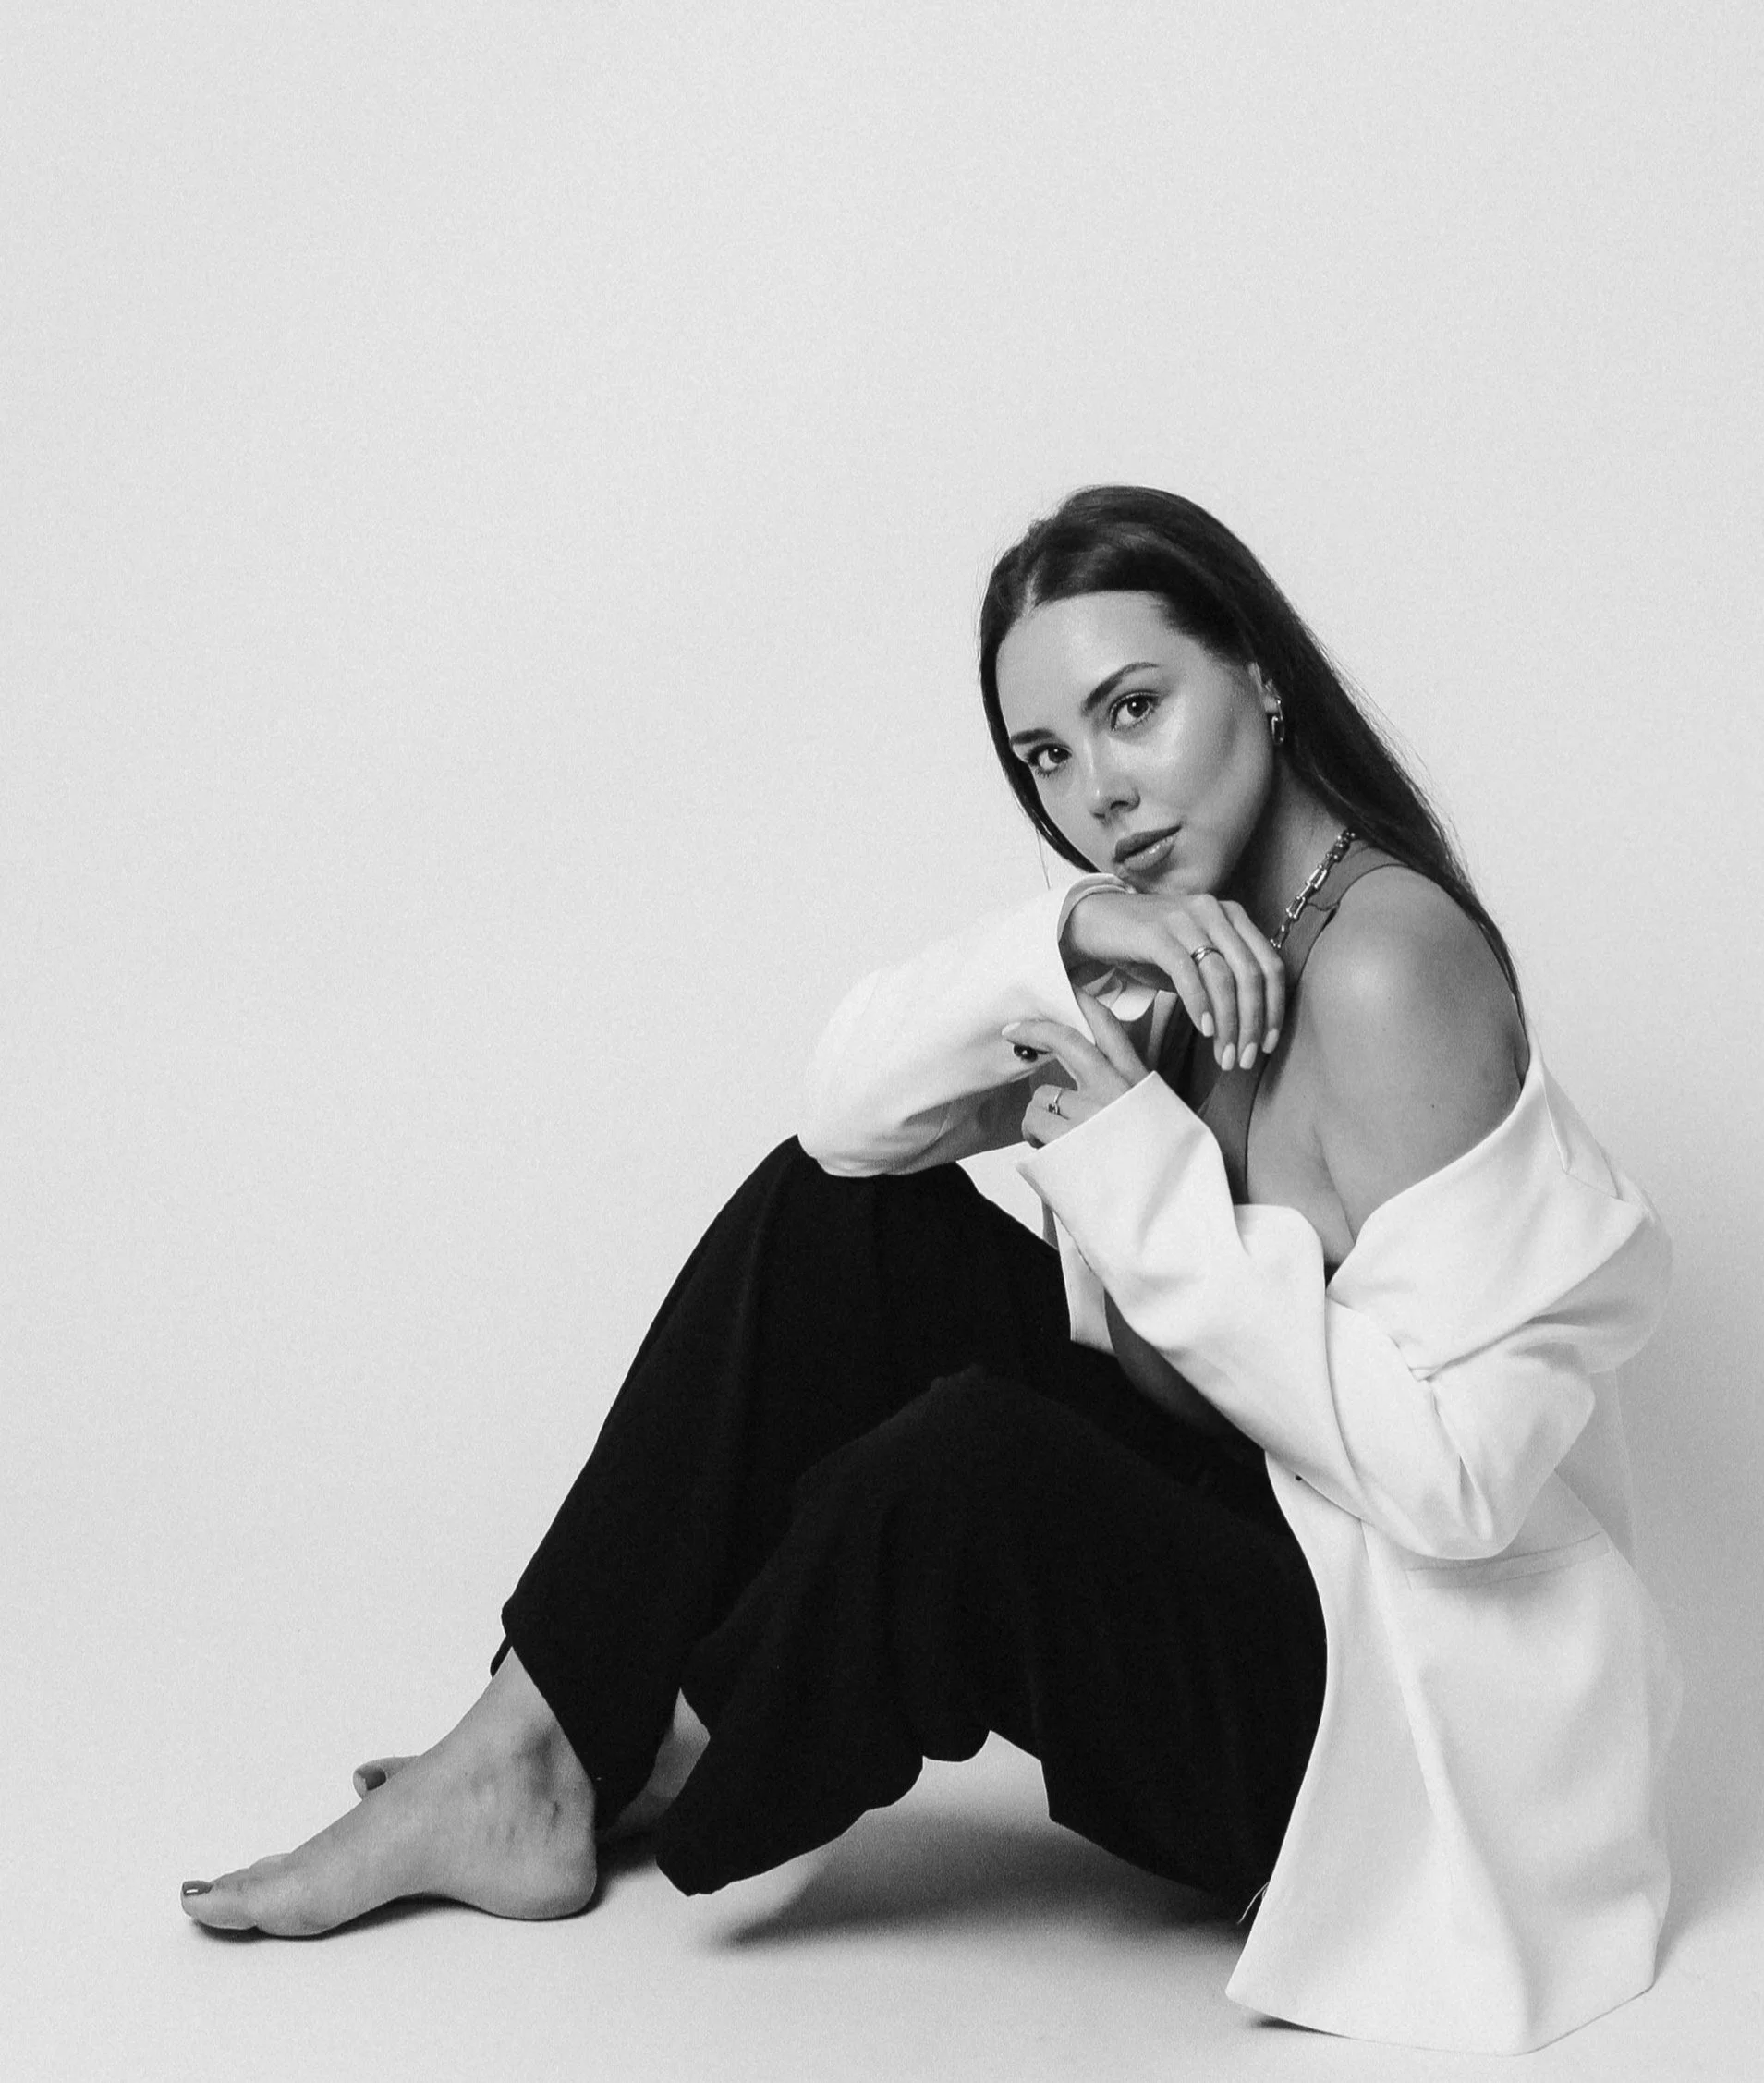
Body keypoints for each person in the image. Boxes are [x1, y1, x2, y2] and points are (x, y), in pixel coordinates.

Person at [180, 486, 1678, 2054]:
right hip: (1279, 1551)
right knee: (837, 1227)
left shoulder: (1385, 966)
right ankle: (532, 1746)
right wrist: (1079, 936)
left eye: (1135, 708)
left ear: (1260, 671)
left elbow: (1460, 1485)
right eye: (1047, 757)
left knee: (968, 1468)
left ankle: (665, 1745)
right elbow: (844, 1124)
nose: (1102, 791)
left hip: (1394, 1737)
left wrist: (1142, 1184)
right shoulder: (1187, 943)